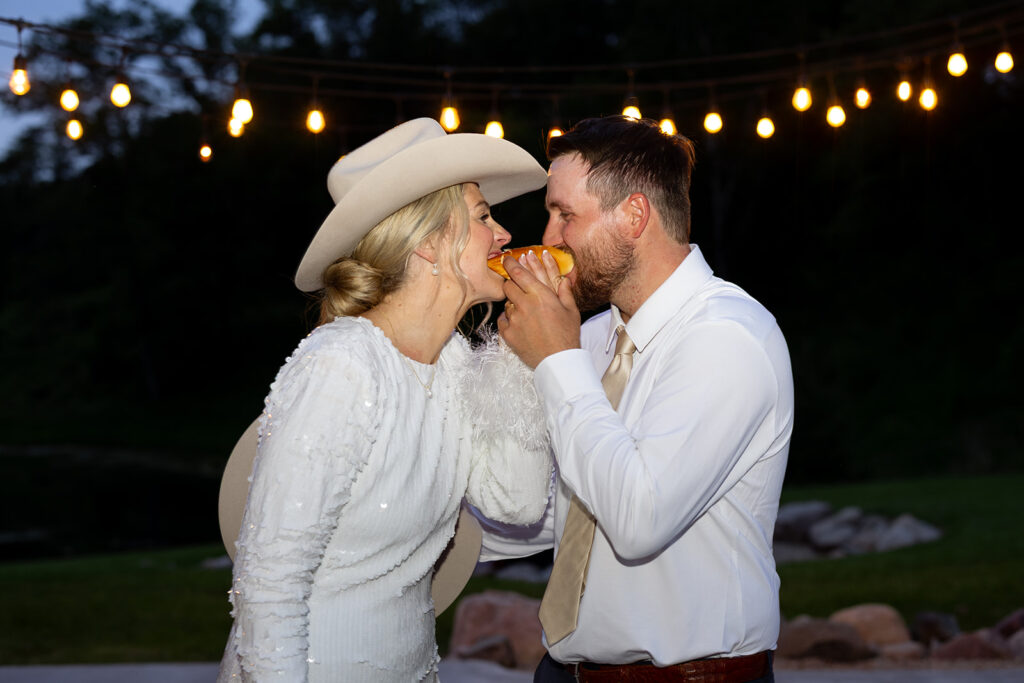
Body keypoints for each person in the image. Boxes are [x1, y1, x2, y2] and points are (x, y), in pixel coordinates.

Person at [216, 118, 554, 682]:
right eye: (482, 216)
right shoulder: (342, 365)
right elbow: (269, 580)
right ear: (427, 242)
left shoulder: (455, 365)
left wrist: (522, 353)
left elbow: (514, 504)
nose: (503, 235)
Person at [484, 115, 794, 683]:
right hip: (565, 671)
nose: (549, 238)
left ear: (633, 215)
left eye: (565, 214)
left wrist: (555, 358)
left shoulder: (728, 336)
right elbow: (571, 507)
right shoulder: (596, 335)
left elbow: (638, 518)